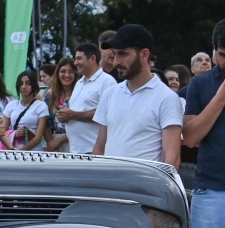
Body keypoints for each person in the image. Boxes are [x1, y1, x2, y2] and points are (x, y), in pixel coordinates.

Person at [92, 24, 183, 167]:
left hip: (146, 181)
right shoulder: (109, 94)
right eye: (115, 54)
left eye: (123, 54)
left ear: (144, 54)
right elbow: (99, 148)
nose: (116, 62)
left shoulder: (167, 98)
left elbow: (172, 159)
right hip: (109, 180)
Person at [183, 20, 225, 228]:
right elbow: (190, 137)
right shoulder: (200, 83)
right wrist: (221, 97)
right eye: (223, 55)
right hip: (211, 190)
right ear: (214, 50)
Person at [58, 43, 114, 155]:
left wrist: (74, 115)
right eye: (75, 58)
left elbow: (108, 114)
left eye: (79, 58)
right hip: (76, 151)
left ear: (92, 59)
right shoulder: (79, 82)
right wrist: (66, 116)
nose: (75, 63)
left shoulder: (107, 82)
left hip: (94, 152)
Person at [0, 72, 48, 151]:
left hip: (33, 151)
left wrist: (20, 151)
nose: (24, 87)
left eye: (28, 83)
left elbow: (38, 138)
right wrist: (14, 134)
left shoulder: (41, 106)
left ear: (34, 85)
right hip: (14, 148)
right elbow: (2, 131)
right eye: (21, 84)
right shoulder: (11, 105)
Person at [44, 58, 76, 152]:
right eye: (63, 71)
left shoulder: (79, 95)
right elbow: (44, 123)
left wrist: (60, 140)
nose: (67, 75)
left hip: (75, 141)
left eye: (71, 71)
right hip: (54, 144)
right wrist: (51, 144)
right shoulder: (50, 96)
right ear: (57, 74)